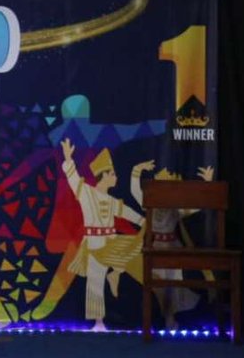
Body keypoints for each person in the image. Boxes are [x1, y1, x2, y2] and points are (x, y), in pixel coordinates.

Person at [60, 139, 145, 331]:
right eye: (112, 174)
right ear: (104, 175)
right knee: (95, 282)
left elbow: (126, 212)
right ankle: (98, 322)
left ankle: (116, 273)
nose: (115, 177)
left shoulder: (111, 200)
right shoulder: (86, 193)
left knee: (134, 247)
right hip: (94, 244)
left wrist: (142, 221)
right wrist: (68, 159)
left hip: (111, 242)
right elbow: (73, 179)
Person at [131, 160, 216, 329]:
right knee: (158, 287)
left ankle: (170, 319)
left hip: (173, 248)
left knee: (173, 287)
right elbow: (135, 191)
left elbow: (198, 204)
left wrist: (208, 183)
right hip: (155, 248)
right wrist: (136, 170)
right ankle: (160, 319)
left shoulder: (177, 207)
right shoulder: (149, 203)